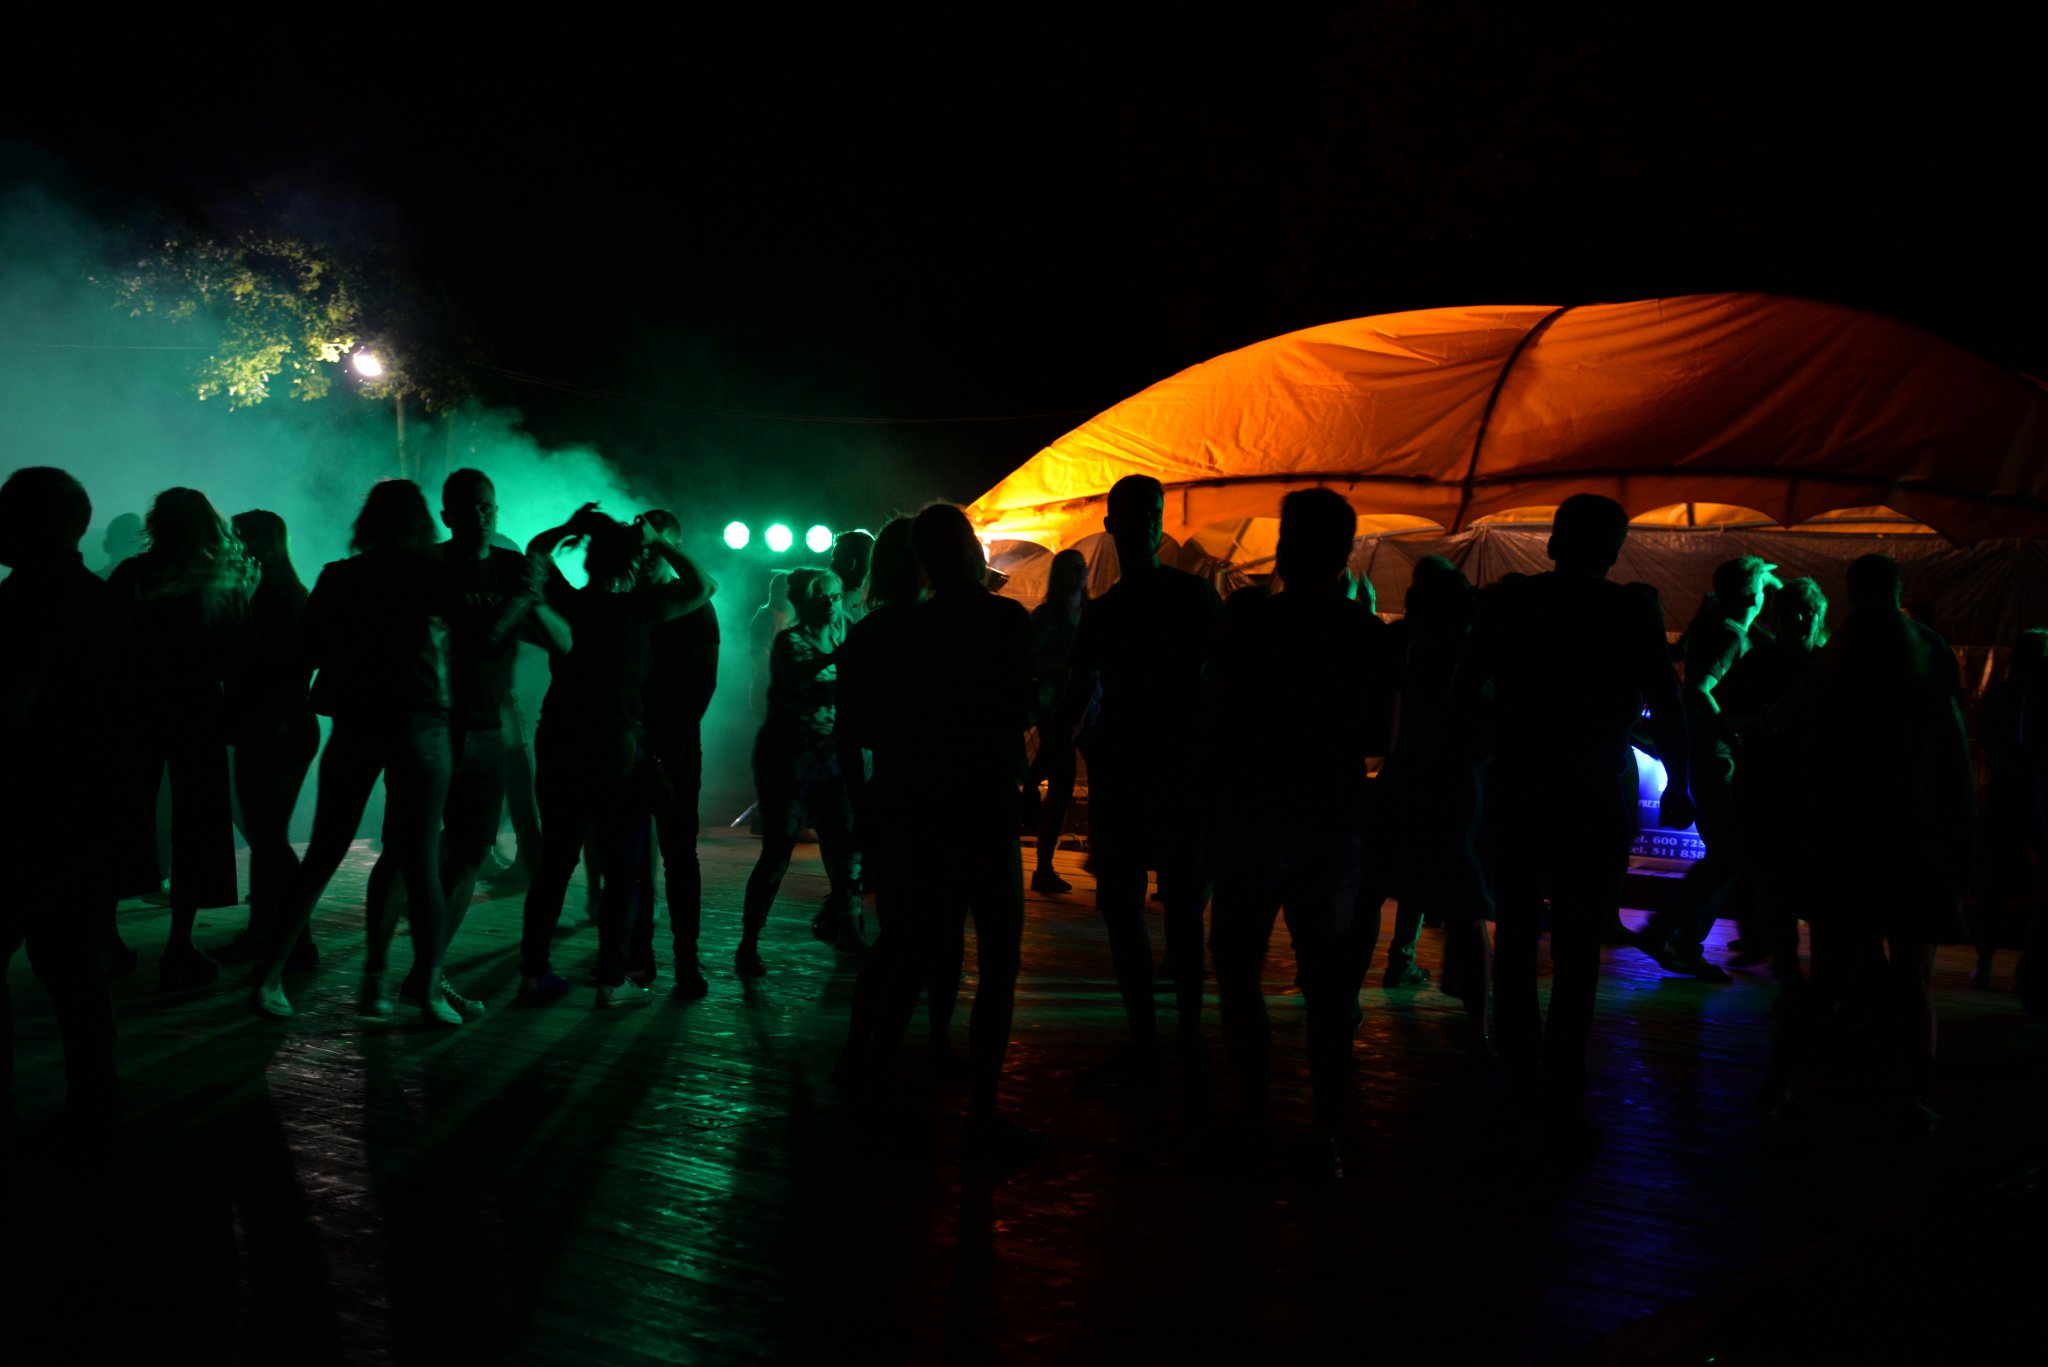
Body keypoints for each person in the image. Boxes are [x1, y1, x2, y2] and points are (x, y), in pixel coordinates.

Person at [1455, 493, 1693, 1153]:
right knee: (1579, 948)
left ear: (1556, 542)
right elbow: (1667, 701)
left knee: (1516, 935)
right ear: (1613, 551)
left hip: (1518, 788)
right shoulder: (1629, 610)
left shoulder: (1511, 603)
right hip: (1591, 793)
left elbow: (1464, 687)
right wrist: (1681, 781)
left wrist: (1484, 748)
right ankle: (1562, 1086)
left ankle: (1519, 1074)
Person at [1212, 489, 1393, 1180]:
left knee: (1238, 969)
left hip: (1253, 814)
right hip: (1332, 817)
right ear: (1344, 553)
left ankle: (1255, 1116)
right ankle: (1325, 1129)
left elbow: (1219, 715)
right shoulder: (1365, 633)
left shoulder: (1248, 622)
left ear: (1286, 548)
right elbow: (1378, 736)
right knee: (1328, 983)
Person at [1757, 555, 1971, 1130]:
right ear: (1899, 589)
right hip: (1914, 835)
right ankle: (1913, 1099)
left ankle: (1775, 1088)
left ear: (1849, 593)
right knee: (1915, 981)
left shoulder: (1836, 657)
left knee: (1826, 977)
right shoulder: (1924, 649)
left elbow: (1797, 739)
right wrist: (1962, 830)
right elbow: (1953, 749)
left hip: (1847, 838)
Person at [251, 480, 462, 1025]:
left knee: (324, 852)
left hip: (357, 722)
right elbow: (466, 648)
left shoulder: (340, 576)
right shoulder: (438, 573)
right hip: (421, 721)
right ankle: (425, 991)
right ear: (422, 521)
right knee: (420, 860)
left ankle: (269, 979)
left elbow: (306, 651)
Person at [867, 503, 1041, 1161]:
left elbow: (887, 724)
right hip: (985, 801)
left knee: (917, 949)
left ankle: (876, 1085)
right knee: (998, 959)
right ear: (971, 550)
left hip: (927, 805)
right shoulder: (1005, 619)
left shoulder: (910, 629)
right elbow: (1020, 706)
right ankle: (982, 1114)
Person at [359, 470, 565, 1018]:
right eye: (471, 506)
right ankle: (375, 975)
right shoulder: (430, 567)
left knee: (469, 857)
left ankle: (426, 974)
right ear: (447, 515)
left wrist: (533, 599)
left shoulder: (510, 569)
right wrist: (521, 598)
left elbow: (565, 641)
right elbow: (481, 636)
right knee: (405, 852)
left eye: (488, 506)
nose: (482, 515)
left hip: (486, 733)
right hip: (430, 730)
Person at [1052, 475, 1223, 1096]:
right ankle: (1182, 1040)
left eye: (1152, 513)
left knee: (1135, 907)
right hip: (1169, 768)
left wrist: (1064, 744)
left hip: (1137, 768)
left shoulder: (1111, 610)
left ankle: (1154, 1042)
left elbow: (1077, 694)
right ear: (1121, 525)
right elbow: (1222, 680)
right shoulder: (1189, 597)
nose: (1150, 524)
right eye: (1143, 514)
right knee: (1170, 906)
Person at [518, 504, 716, 1007]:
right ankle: (614, 977)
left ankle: (536, 972)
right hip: (616, 755)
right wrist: (661, 542)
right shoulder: (640, 610)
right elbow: (704, 584)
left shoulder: (571, 602)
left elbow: (536, 552)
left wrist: (571, 527)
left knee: (556, 863)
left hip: (562, 744)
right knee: (623, 870)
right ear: (630, 562)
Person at [0, 467, 122, 1144]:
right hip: (84, 809)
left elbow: (12, 708)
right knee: (73, 966)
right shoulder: (103, 601)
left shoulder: (22, 603)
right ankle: (96, 1107)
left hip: (23, 808)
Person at [108, 487, 256, 990]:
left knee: (123, 817)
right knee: (199, 824)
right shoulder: (222, 580)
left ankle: (106, 935)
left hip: (136, 709)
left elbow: (107, 646)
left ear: (157, 523)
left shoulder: (133, 575)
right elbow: (236, 658)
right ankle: (178, 944)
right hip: (197, 710)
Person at [1636, 556, 1779, 981]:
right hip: (1717, 763)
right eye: (1762, 590)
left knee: (1730, 854)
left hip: (1709, 760)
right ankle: (1668, 934)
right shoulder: (1730, 636)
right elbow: (1698, 691)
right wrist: (1728, 732)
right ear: (1752, 596)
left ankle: (1679, 938)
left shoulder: (1724, 629)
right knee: (1730, 854)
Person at [1381, 555, 1494, 1058]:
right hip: (1458, 785)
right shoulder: (1470, 657)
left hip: (1410, 777)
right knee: (1467, 909)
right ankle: (1479, 1029)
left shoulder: (1407, 649)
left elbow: (1393, 729)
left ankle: (1344, 1004)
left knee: (1377, 891)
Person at [735, 566, 861, 973]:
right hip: (785, 758)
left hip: (825, 756)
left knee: (845, 845)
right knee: (778, 852)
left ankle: (850, 930)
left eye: (834, 596)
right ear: (804, 602)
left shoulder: (842, 637)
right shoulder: (790, 641)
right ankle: (748, 943)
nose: (830, 603)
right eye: (820, 597)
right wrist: (840, 659)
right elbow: (799, 680)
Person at [626, 508, 721, 999]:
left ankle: (686, 960)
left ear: (673, 549)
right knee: (634, 858)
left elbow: (702, 689)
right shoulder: (629, 601)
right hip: (633, 747)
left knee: (679, 855)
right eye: (641, 547)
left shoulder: (694, 605)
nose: (645, 556)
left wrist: (664, 753)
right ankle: (639, 958)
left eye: (655, 548)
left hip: (676, 749)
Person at [1715, 576, 1829, 984]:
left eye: (1802, 612)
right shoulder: (1801, 663)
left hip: (1799, 790)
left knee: (1790, 885)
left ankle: (1799, 977)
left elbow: (1723, 715)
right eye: (1786, 613)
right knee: (1782, 885)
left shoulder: (1818, 665)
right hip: (1777, 790)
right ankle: (1798, 976)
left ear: (1817, 616)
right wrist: (1752, 727)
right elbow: (1724, 716)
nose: (1795, 620)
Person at [220, 510, 320, 966]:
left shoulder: (273, 597)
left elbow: (264, 666)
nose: (229, 546)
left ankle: (297, 939)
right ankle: (267, 932)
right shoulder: (288, 593)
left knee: (269, 840)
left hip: (274, 727)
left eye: (236, 538)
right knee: (267, 838)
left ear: (255, 544)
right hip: (282, 725)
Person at [1974, 629, 2048, 988]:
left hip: (2005, 791)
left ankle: (1986, 960)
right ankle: (2030, 965)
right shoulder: (2029, 698)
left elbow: (1987, 736)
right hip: (2031, 792)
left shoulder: (2001, 694)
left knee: (1995, 881)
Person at [1025, 549, 1089, 894]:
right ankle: (1044, 865)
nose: (1079, 574)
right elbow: (1029, 661)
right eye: (1072, 568)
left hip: (1089, 707)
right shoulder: (1047, 617)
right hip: (1057, 707)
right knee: (1062, 783)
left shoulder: (1089, 613)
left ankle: (1046, 866)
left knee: (1069, 781)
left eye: (1082, 568)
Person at [747, 572, 792, 720]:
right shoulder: (768, 616)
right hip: (769, 695)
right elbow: (760, 655)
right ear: (784, 592)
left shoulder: (781, 615)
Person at [831, 529, 875, 625]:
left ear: (850, 563)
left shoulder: (834, 607)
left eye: (836, 559)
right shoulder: (882, 605)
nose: (830, 566)